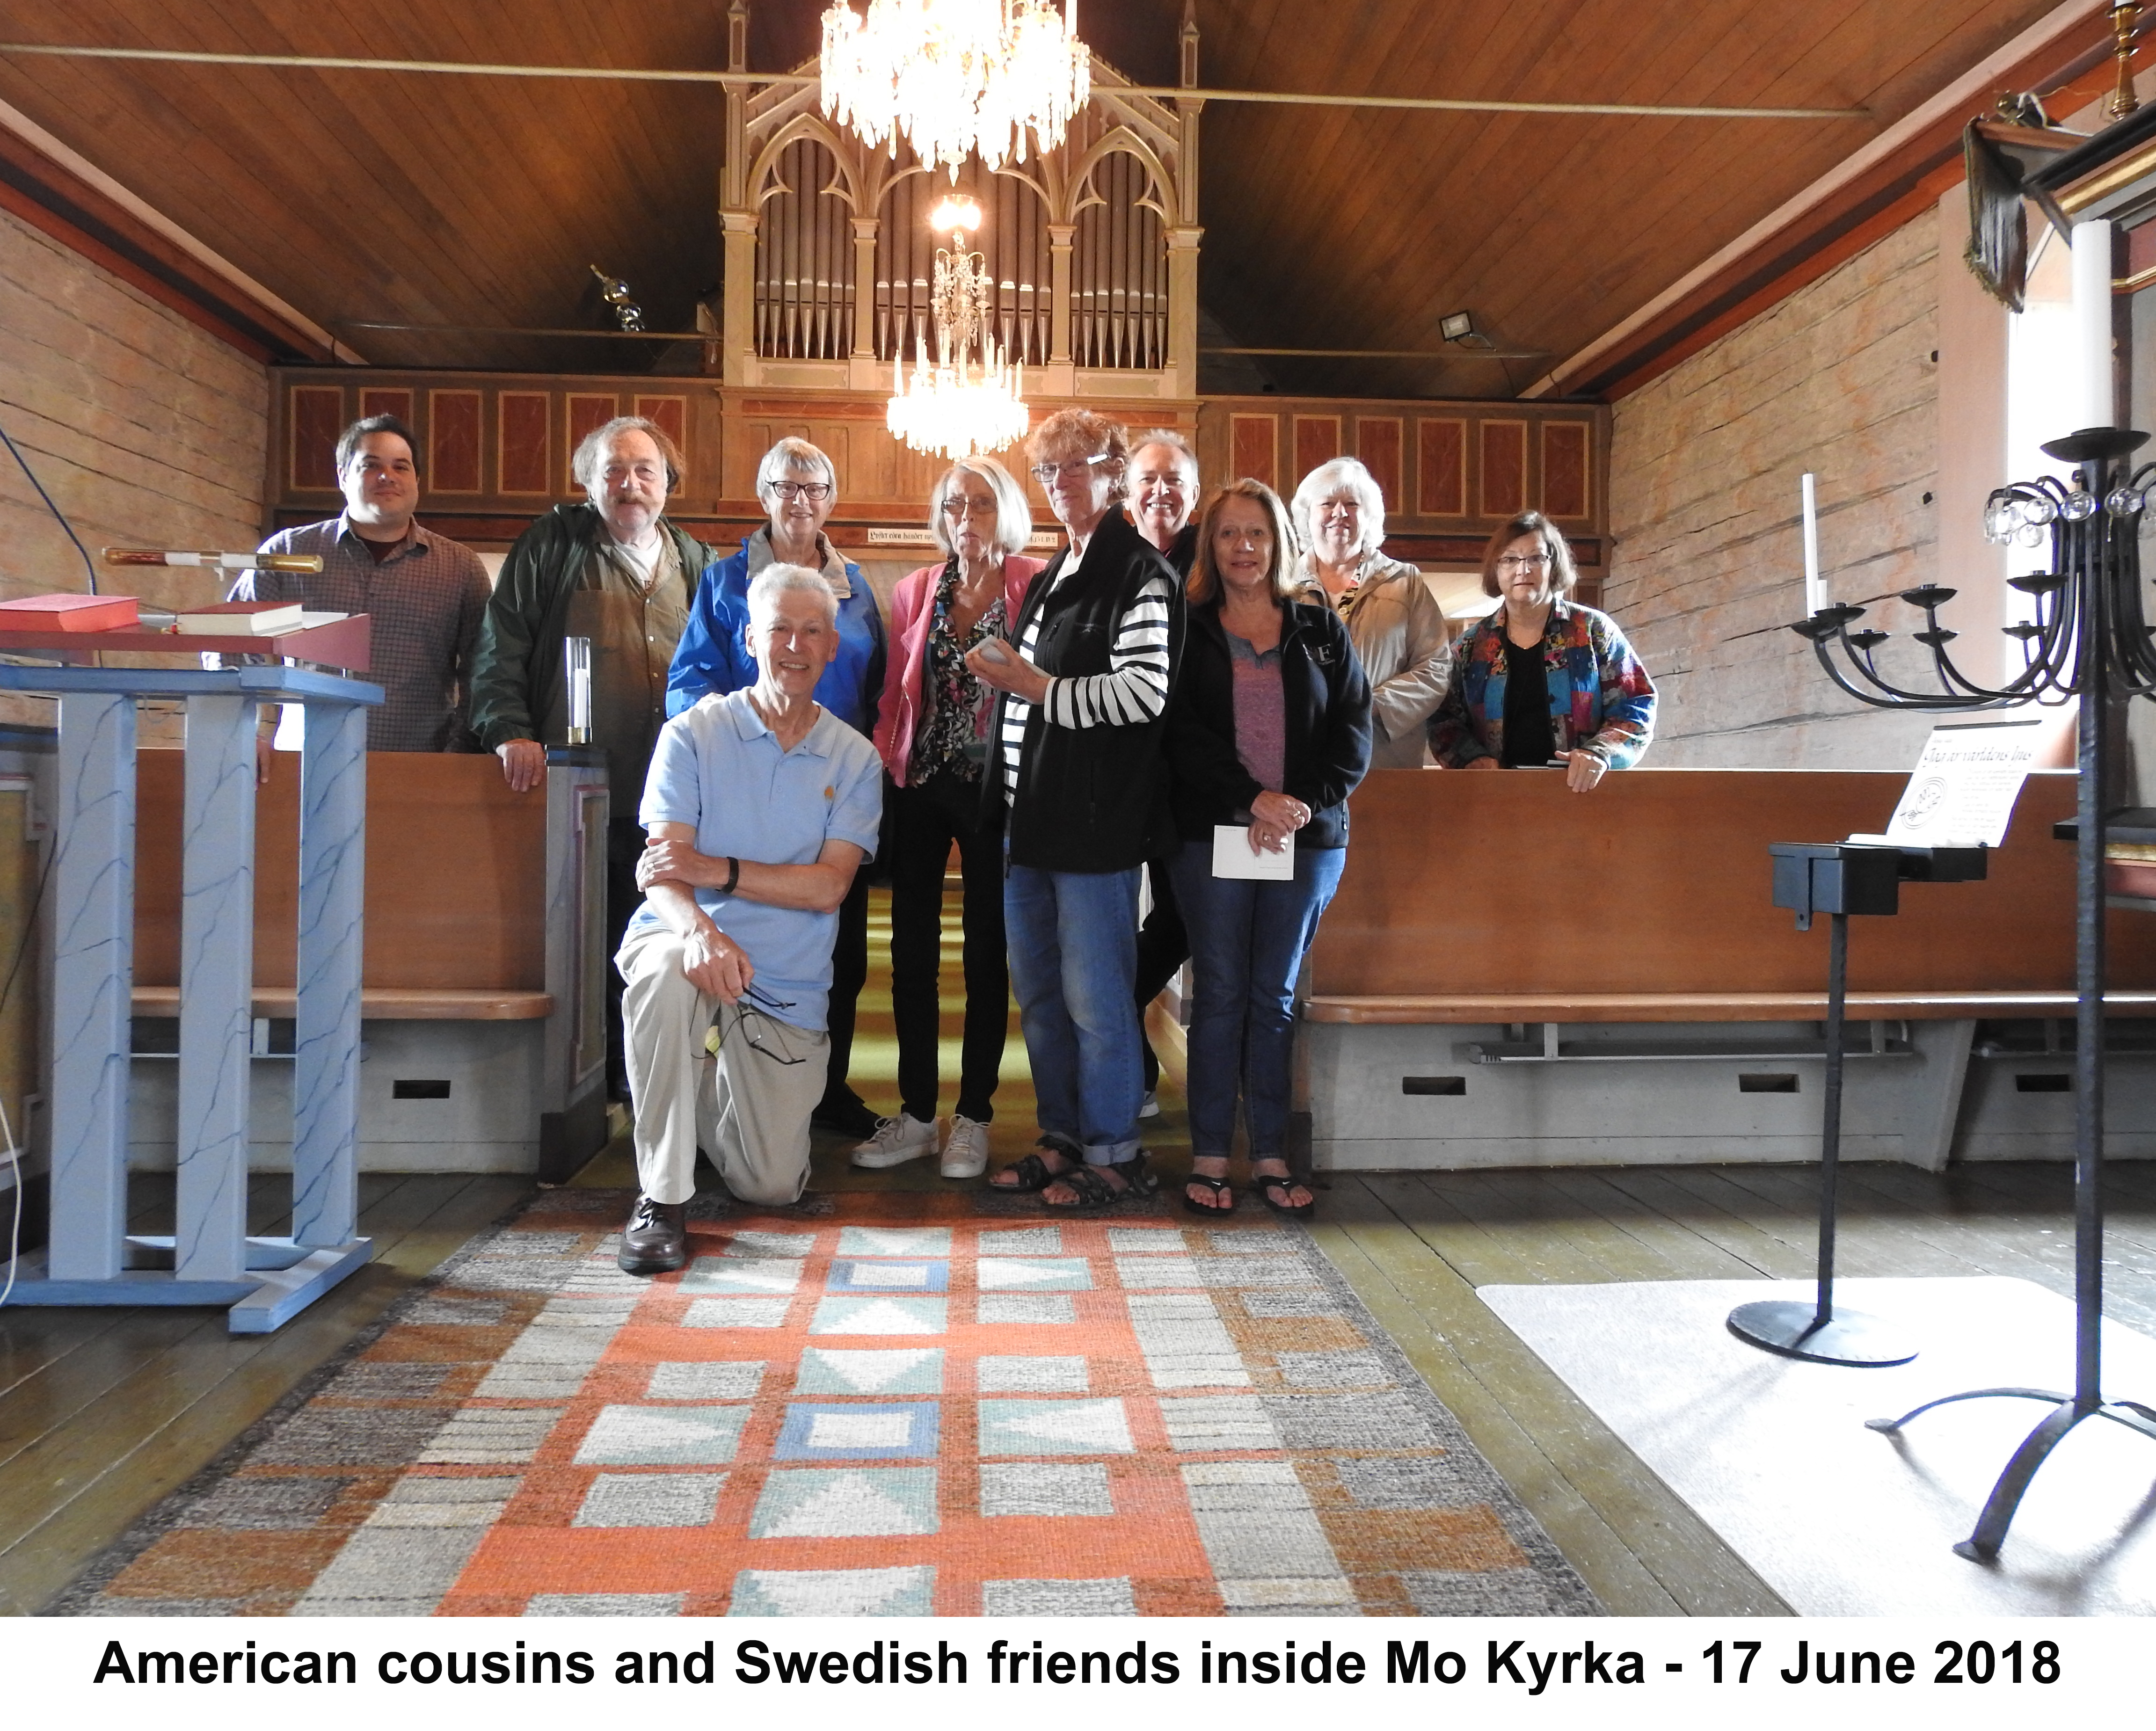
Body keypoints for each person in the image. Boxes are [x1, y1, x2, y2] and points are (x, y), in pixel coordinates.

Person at [614, 564, 883, 1273]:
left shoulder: (855, 759)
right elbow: (663, 876)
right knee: (670, 974)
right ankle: (660, 1199)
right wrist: (702, 925)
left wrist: (719, 871)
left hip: (784, 979)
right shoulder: (691, 734)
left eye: (811, 631)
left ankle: (691, 1082)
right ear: (748, 639)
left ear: (832, 648)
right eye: (778, 630)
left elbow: (829, 888)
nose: (794, 645)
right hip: (688, 943)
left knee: (768, 1186)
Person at [972, 409, 1184, 1209]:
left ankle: (1116, 1153)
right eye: (1047, 471)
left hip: (1093, 824)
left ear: (1114, 473)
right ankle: (1063, 1139)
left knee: (1098, 1000)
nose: (1059, 483)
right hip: (1030, 822)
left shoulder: (1138, 572)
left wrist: (1033, 686)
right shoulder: (1058, 570)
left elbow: (1145, 692)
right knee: (1045, 996)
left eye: (1076, 466)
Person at [468, 416, 714, 1098]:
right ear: (588, 481)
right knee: (588, 935)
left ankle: (668, 1069)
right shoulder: (553, 546)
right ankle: (596, 1076)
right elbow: (501, 646)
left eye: (645, 471)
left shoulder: (694, 559)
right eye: (614, 470)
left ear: (669, 483)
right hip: (578, 790)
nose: (629, 484)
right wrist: (509, 729)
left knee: (669, 929)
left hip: (672, 795)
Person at [666, 438, 888, 1141]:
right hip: (740, 787)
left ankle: (823, 1085)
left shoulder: (854, 585)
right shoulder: (726, 581)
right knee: (727, 935)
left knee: (839, 949)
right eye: (786, 487)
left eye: (814, 488)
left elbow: (876, 688)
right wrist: (727, 743)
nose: (800, 501)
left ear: (832, 499)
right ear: (763, 495)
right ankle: (719, 1083)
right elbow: (689, 681)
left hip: (830, 789)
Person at [1165, 480, 1370, 1218]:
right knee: (1219, 994)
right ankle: (1213, 1154)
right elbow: (1181, 737)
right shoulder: (1188, 629)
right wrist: (1252, 799)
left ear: (1278, 542)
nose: (1243, 548)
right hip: (1212, 835)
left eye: (1256, 534)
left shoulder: (1319, 628)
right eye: (1228, 535)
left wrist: (1298, 805)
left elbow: (1354, 732)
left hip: (1307, 839)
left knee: (1275, 996)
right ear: (1210, 546)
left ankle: (1274, 1155)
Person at [862, 458, 1044, 1179]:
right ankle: (915, 1114)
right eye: (955, 505)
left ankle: (973, 1115)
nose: (967, 517)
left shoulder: (1035, 583)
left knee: (985, 952)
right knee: (912, 951)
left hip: (998, 791)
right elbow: (895, 696)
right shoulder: (915, 589)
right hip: (923, 784)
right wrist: (885, 756)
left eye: (982, 504)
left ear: (1006, 512)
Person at [240, 414, 490, 774]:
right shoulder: (288, 554)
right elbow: (231, 642)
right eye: (371, 465)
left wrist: (457, 753)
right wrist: (245, 730)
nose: (387, 476)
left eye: (401, 467)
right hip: (304, 767)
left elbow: (482, 672)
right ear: (343, 476)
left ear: (417, 480)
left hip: (418, 770)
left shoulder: (461, 568)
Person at [1428, 511, 1656, 789]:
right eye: (1511, 559)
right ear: (1496, 570)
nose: (1523, 570)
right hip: (1495, 797)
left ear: (1554, 566)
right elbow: (1443, 720)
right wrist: (1473, 761)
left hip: (1581, 792)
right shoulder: (1469, 647)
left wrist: (1600, 752)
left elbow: (1636, 702)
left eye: (1536, 558)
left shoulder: (1593, 631)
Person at [1126, 430, 1201, 1119]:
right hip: (1130, 774)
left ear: (1194, 492)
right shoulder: (1117, 561)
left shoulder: (1212, 560)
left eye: (1173, 479)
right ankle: (1133, 1066)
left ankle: (1130, 1038)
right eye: (1148, 479)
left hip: (1203, 779)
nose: (1161, 491)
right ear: (1128, 495)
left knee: (1181, 919)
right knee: (1128, 917)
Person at [1292, 455, 1450, 769]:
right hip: (1301, 762)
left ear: (1369, 517)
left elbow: (1437, 667)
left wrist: (1372, 705)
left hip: (1383, 760)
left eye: (1352, 504)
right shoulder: (1283, 587)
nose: (1340, 513)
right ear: (1307, 516)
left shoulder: (1406, 582)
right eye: (1327, 504)